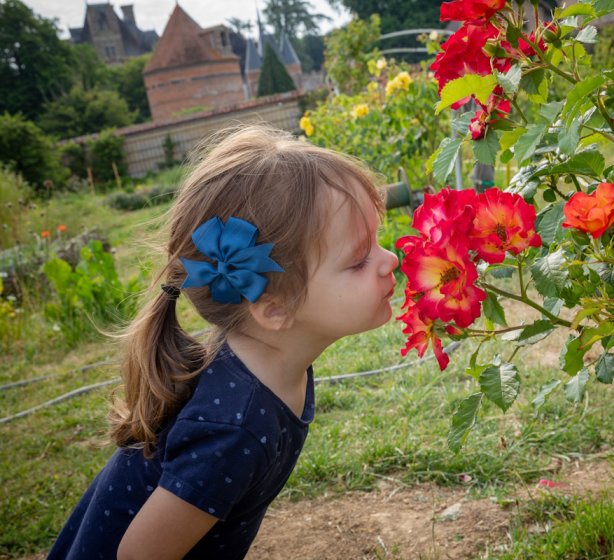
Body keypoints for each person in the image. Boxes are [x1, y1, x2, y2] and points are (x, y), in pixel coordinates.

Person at [48, 125, 399, 559]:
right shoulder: (233, 429)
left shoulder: (264, 369)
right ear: (273, 309)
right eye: (360, 259)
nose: (392, 260)